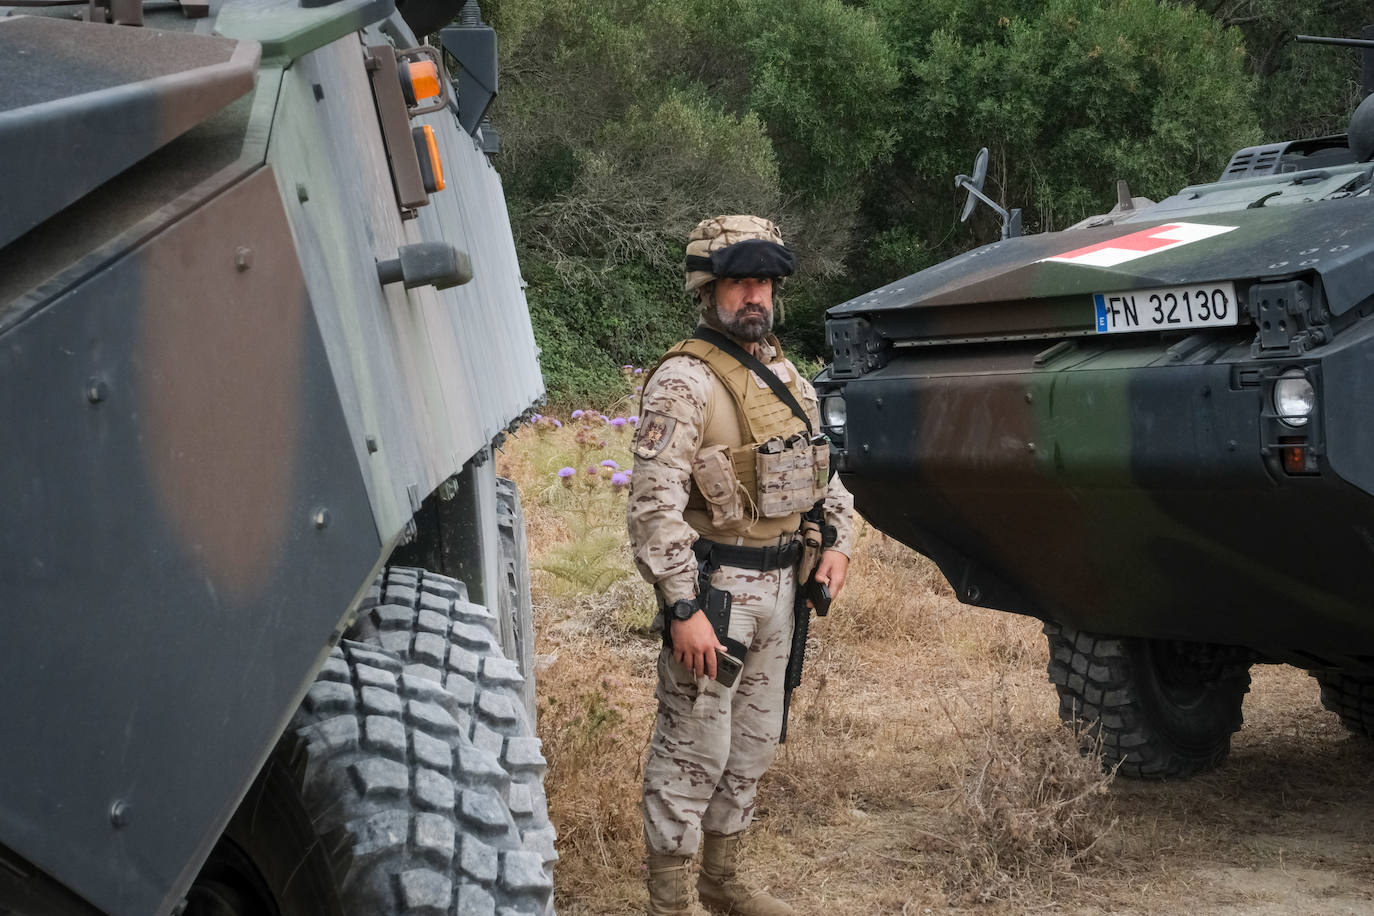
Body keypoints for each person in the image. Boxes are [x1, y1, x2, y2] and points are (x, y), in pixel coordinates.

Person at [627, 215, 855, 916]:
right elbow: (653, 508)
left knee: (751, 746)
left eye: (763, 282)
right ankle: (670, 901)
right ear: (709, 290)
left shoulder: (785, 373)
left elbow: (825, 472)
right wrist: (682, 607)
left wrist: (839, 543)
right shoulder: (684, 382)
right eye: (738, 283)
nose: (753, 296)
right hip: (715, 592)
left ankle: (723, 882)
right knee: (693, 748)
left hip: (782, 588)